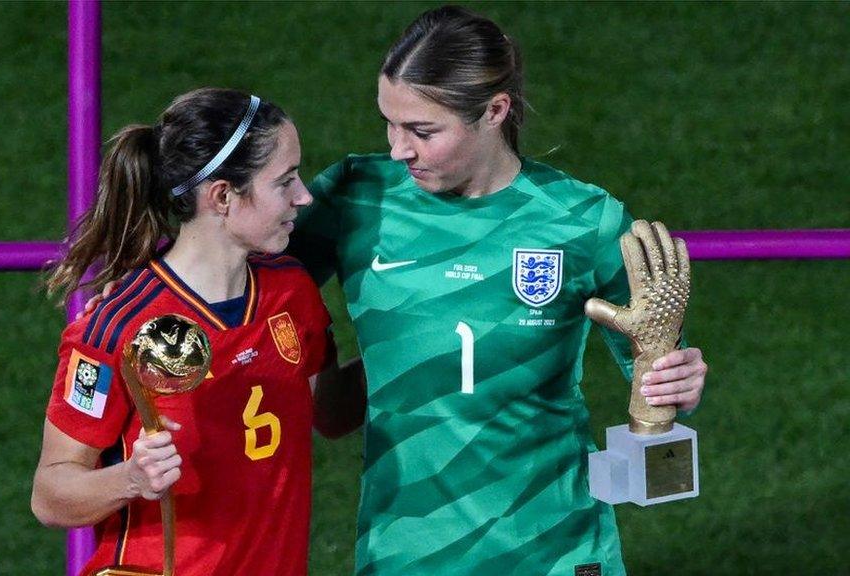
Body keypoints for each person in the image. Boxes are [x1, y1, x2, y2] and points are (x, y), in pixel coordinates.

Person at [285, 6, 709, 575]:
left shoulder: (584, 221)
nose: (398, 150)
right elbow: (252, 296)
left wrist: (674, 380)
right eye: (390, 122)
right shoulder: (356, 196)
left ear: (494, 111)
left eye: (422, 131)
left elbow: (656, 386)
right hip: (406, 553)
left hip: (555, 549)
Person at [31, 88, 361, 576]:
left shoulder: (291, 291)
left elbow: (330, 413)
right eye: (285, 182)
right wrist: (131, 479)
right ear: (223, 196)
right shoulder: (117, 327)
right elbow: (51, 496)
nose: (303, 197)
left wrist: (414, 345)